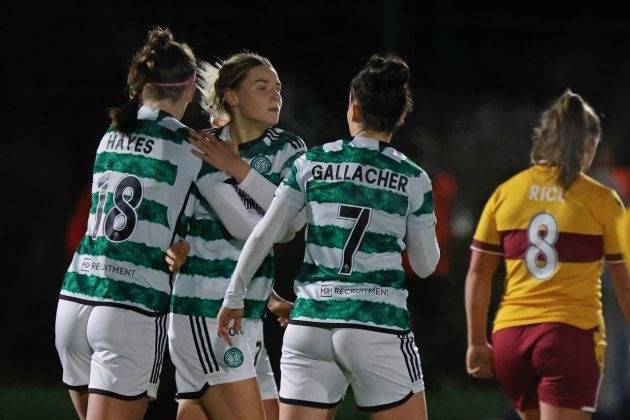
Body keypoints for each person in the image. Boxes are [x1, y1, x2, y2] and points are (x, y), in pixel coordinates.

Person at [54, 28, 262, 420]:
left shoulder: (112, 133)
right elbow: (247, 226)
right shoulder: (191, 145)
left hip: (74, 301)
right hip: (128, 306)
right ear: (189, 90)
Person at [217, 54, 440, 420]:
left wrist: (233, 297)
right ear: (400, 116)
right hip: (376, 322)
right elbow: (425, 265)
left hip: (311, 323)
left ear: (354, 105)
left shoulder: (312, 162)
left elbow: (265, 233)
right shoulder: (413, 177)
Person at [465, 90, 630, 420]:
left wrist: (476, 342)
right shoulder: (602, 196)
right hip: (568, 336)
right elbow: (623, 278)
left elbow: (478, 273)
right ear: (589, 144)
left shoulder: (506, 192)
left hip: (512, 337)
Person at [167, 53, 307, 420]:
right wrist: (174, 245)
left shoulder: (289, 148)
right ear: (231, 96)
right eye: (262, 87)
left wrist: (238, 169)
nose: (275, 95)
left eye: (278, 88)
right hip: (205, 309)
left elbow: (290, 222)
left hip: (249, 314)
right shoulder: (202, 147)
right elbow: (250, 228)